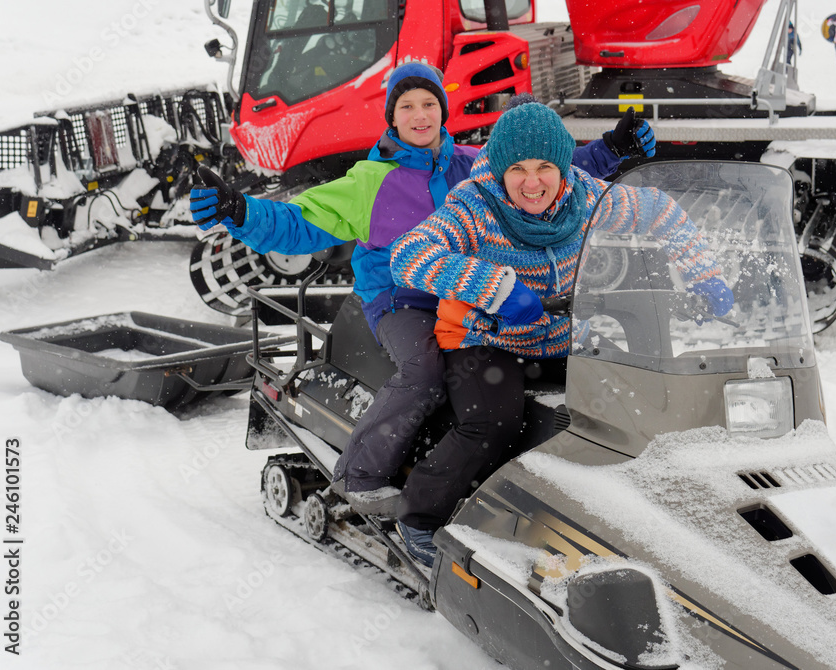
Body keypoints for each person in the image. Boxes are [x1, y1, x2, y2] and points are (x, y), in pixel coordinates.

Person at [189, 62, 659, 517]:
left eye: (429, 103)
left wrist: (611, 149)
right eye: (407, 106)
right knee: (426, 372)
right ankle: (360, 474)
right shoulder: (368, 183)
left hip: (472, 295)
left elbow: (542, 171)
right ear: (391, 117)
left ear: (443, 111)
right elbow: (298, 221)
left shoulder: (472, 163)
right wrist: (239, 210)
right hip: (401, 300)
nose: (420, 115)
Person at [388, 102, 733, 566]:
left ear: (563, 167)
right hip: (486, 341)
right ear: (500, 169)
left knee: (638, 396)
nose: (533, 183)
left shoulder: (588, 198)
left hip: (561, 336)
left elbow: (660, 211)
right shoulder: (474, 204)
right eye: (519, 170)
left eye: (545, 167)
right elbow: (408, 255)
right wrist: (497, 289)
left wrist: (703, 273)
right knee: (493, 423)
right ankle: (419, 517)